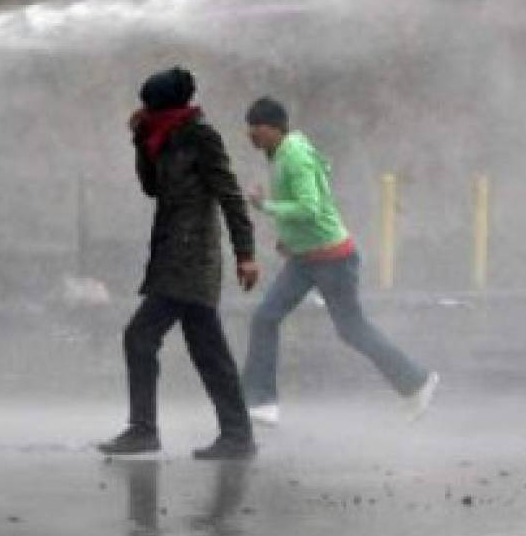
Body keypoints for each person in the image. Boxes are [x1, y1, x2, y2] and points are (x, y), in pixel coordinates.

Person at [240, 96, 439, 427]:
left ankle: (417, 381)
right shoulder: (283, 152)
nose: (251, 136)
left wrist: (266, 207)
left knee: (351, 329)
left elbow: (310, 208)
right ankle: (261, 403)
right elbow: (310, 207)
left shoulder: (295, 157)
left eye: (255, 129)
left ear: (273, 128)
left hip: (333, 260)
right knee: (265, 318)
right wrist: (289, 239)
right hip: (306, 259)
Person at [98, 67, 259, 459]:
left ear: (165, 104)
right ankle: (237, 436)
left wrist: (246, 253)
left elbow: (230, 195)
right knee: (207, 348)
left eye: (149, 105)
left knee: (140, 335)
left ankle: (144, 430)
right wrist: (139, 140)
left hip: (191, 256)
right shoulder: (163, 136)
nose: (144, 111)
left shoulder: (201, 135)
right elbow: (152, 187)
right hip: (171, 251)